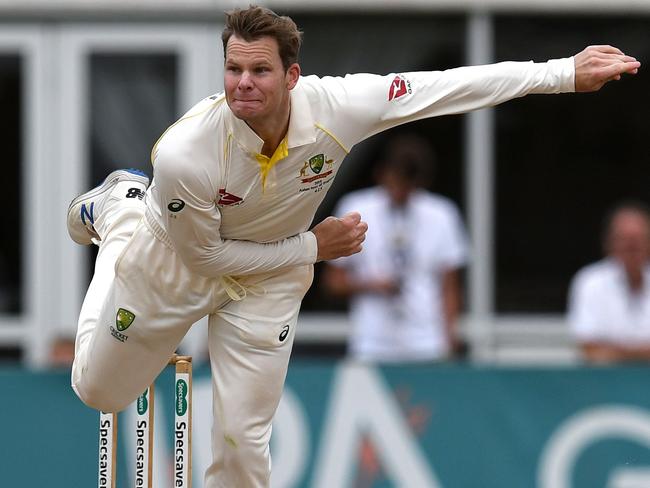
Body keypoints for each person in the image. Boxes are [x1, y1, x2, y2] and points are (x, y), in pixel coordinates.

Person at [66, 5, 640, 487]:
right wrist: (312, 249)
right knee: (100, 391)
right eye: (233, 68)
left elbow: (447, 88)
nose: (243, 84)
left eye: (260, 71)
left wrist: (562, 72)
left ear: (292, 76)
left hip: (266, 281)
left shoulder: (342, 105)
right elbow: (206, 259)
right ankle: (121, 213)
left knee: (243, 444)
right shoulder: (185, 154)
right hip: (178, 260)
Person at [324, 134, 468, 362]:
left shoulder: (441, 214)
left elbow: (449, 286)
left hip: (427, 343)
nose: (402, 192)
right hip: (371, 342)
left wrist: (449, 340)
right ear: (382, 173)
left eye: (410, 185)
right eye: (397, 182)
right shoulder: (355, 209)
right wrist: (371, 285)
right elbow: (333, 282)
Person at [568, 202, 650, 364]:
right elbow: (589, 349)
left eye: (637, 241)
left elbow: (601, 351)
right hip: (604, 384)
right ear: (609, 242)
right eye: (625, 241)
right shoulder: (590, 282)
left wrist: (614, 350)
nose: (631, 248)